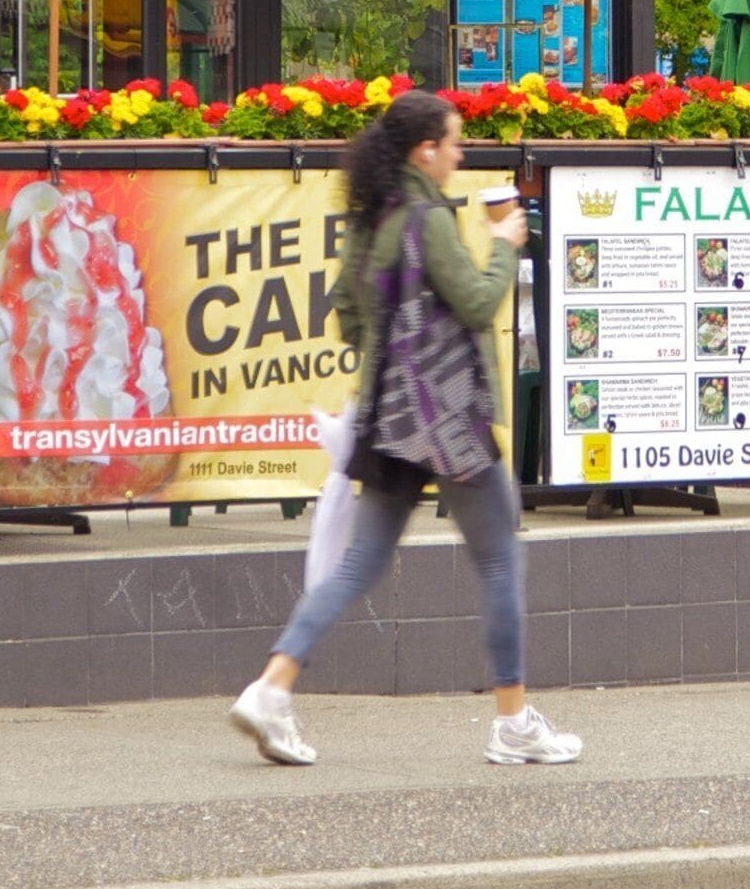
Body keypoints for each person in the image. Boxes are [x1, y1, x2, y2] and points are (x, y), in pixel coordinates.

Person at [231, 90, 580, 769]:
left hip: (389, 415)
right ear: (426, 150)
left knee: (360, 561)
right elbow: (479, 304)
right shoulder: (428, 216)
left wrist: (384, 371)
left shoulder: (373, 216)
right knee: (500, 559)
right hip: (448, 416)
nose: (460, 153)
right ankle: (513, 722)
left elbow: (344, 310)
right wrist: (507, 245)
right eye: (453, 142)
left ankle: (272, 688)